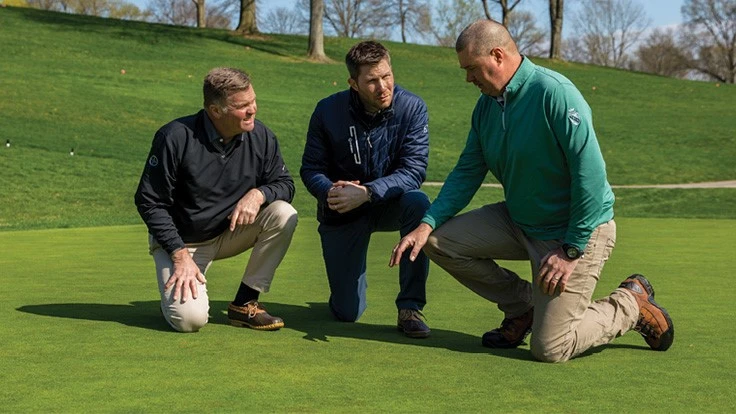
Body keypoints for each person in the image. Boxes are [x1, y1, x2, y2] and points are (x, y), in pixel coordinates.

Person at [391, 20, 674, 361]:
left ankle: (631, 304)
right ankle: (523, 306)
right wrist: (427, 223)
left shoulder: (554, 92)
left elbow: (591, 176)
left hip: (577, 232)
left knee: (551, 348)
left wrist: (571, 250)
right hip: (520, 221)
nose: (468, 79)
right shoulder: (486, 107)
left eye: (471, 69)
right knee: (437, 242)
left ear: (497, 55)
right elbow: (467, 172)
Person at [134, 67, 298, 333]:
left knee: (283, 213)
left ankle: (244, 304)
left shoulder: (261, 136)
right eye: (243, 105)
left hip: (228, 233)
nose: (253, 109)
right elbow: (149, 201)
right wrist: (178, 255)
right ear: (215, 110)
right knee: (190, 321)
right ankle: (180, 292)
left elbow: (285, 185)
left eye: (253, 101)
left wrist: (259, 194)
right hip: (181, 244)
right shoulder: (174, 137)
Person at [301, 41, 432, 338]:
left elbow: (414, 171)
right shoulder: (327, 111)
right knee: (348, 312)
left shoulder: (412, 108)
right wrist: (330, 192)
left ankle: (410, 308)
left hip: (389, 203)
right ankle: (345, 294)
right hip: (342, 209)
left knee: (419, 204)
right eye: (372, 81)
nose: (382, 86)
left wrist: (369, 192)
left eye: (387, 76)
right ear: (353, 83)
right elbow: (311, 169)